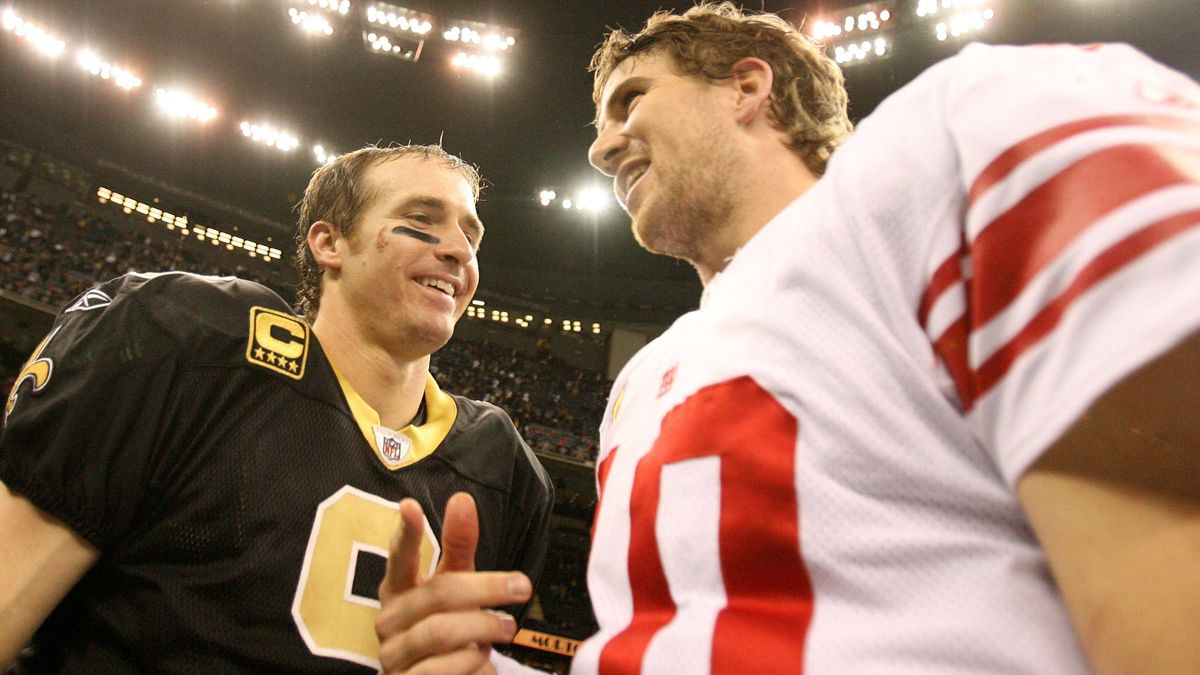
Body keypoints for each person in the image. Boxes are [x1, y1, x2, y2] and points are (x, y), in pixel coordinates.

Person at [374, 3, 1200, 674]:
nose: (599, 146)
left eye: (631, 101)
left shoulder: (956, 141)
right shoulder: (644, 379)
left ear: (748, 87)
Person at [0, 144, 554, 672]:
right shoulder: (192, 343)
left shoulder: (502, 469)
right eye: (424, 219)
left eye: (470, 233)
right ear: (329, 243)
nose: (458, 249)